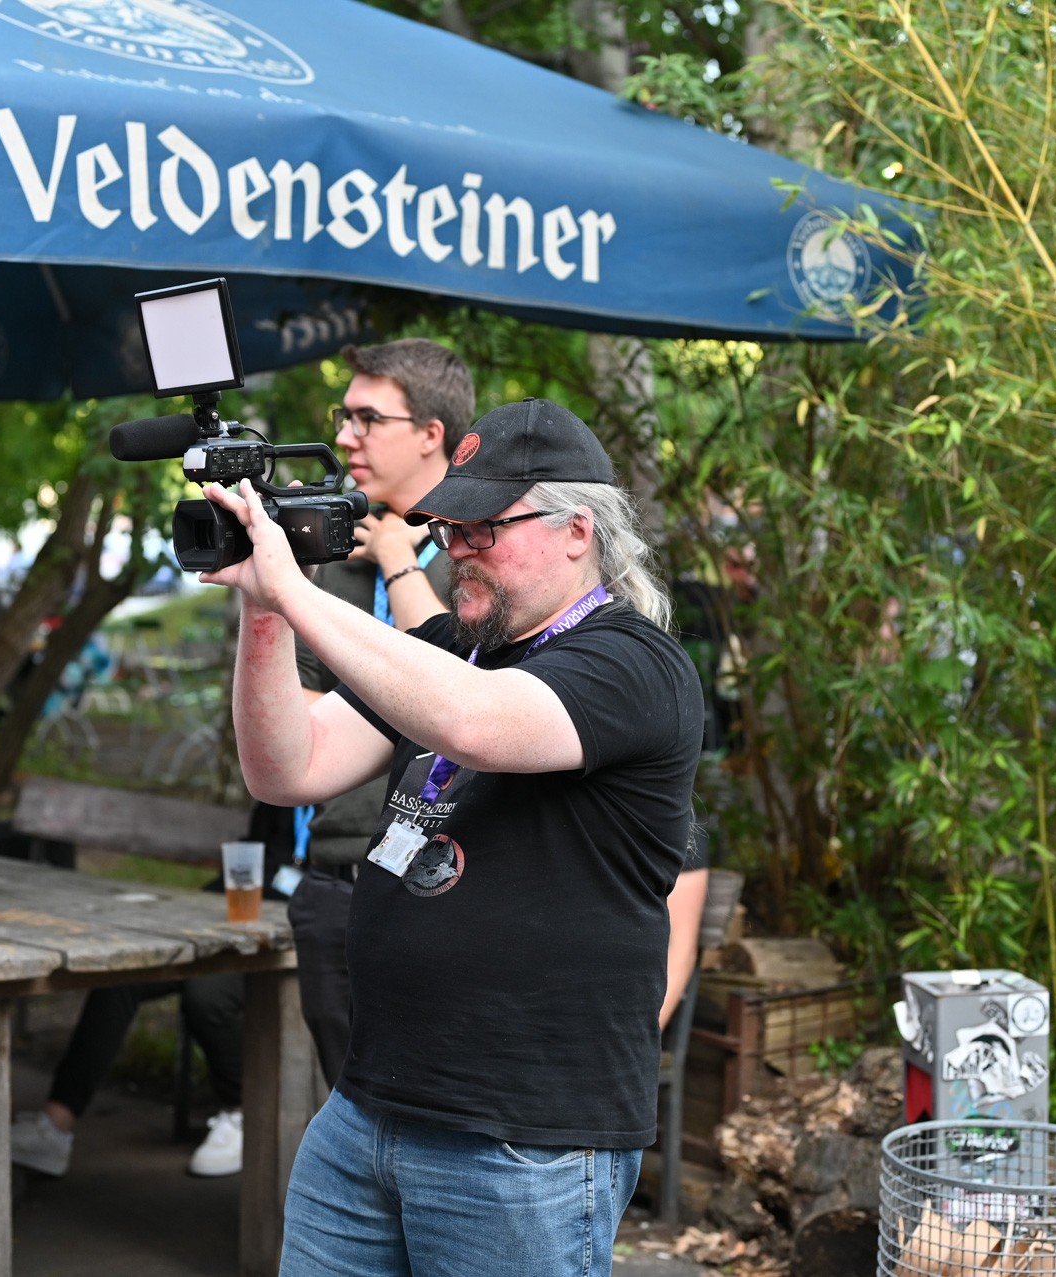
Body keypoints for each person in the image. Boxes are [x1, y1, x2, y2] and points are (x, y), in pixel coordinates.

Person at [203, 397, 702, 1275]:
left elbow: (476, 723)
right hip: (366, 1109)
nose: (458, 548)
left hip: (523, 1141)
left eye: (483, 529)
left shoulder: (634, 662)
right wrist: (264, 608)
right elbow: (287, 768)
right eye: (448, 529)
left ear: (577, 530)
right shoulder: (447, 648)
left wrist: (295, 588)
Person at [287, 338, 472, 1088]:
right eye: (343, 416)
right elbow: (298, 725)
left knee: (433, 1112)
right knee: (347, 1106)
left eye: (367, 418)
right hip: (333, 879)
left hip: (441, 886)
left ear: (431, 432)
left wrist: (399, 561)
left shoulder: (480, 555)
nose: (344, 437)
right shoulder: (330, 553)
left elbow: (459, 695)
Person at [9, 974, 247, 1178]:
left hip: (257, 946)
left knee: (208, 998)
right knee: (118, 980)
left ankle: (243, 1112)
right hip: (203, 939)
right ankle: (55, 1127)